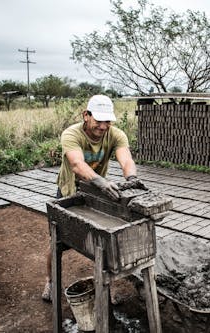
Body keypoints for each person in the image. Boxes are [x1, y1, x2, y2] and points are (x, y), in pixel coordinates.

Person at [42, 94, 146, 302]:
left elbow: (126, 159)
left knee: (106, 239)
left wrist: (132, 178)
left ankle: (111, 284)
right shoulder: (71, 134)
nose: (103, 126)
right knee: (58, 242)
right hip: (70, 192)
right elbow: (77, 165)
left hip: (97, 194)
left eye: (107, 121)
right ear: (86, 116)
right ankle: (51, 282)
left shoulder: (116, 135)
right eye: (98, 121)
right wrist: (102, 182)